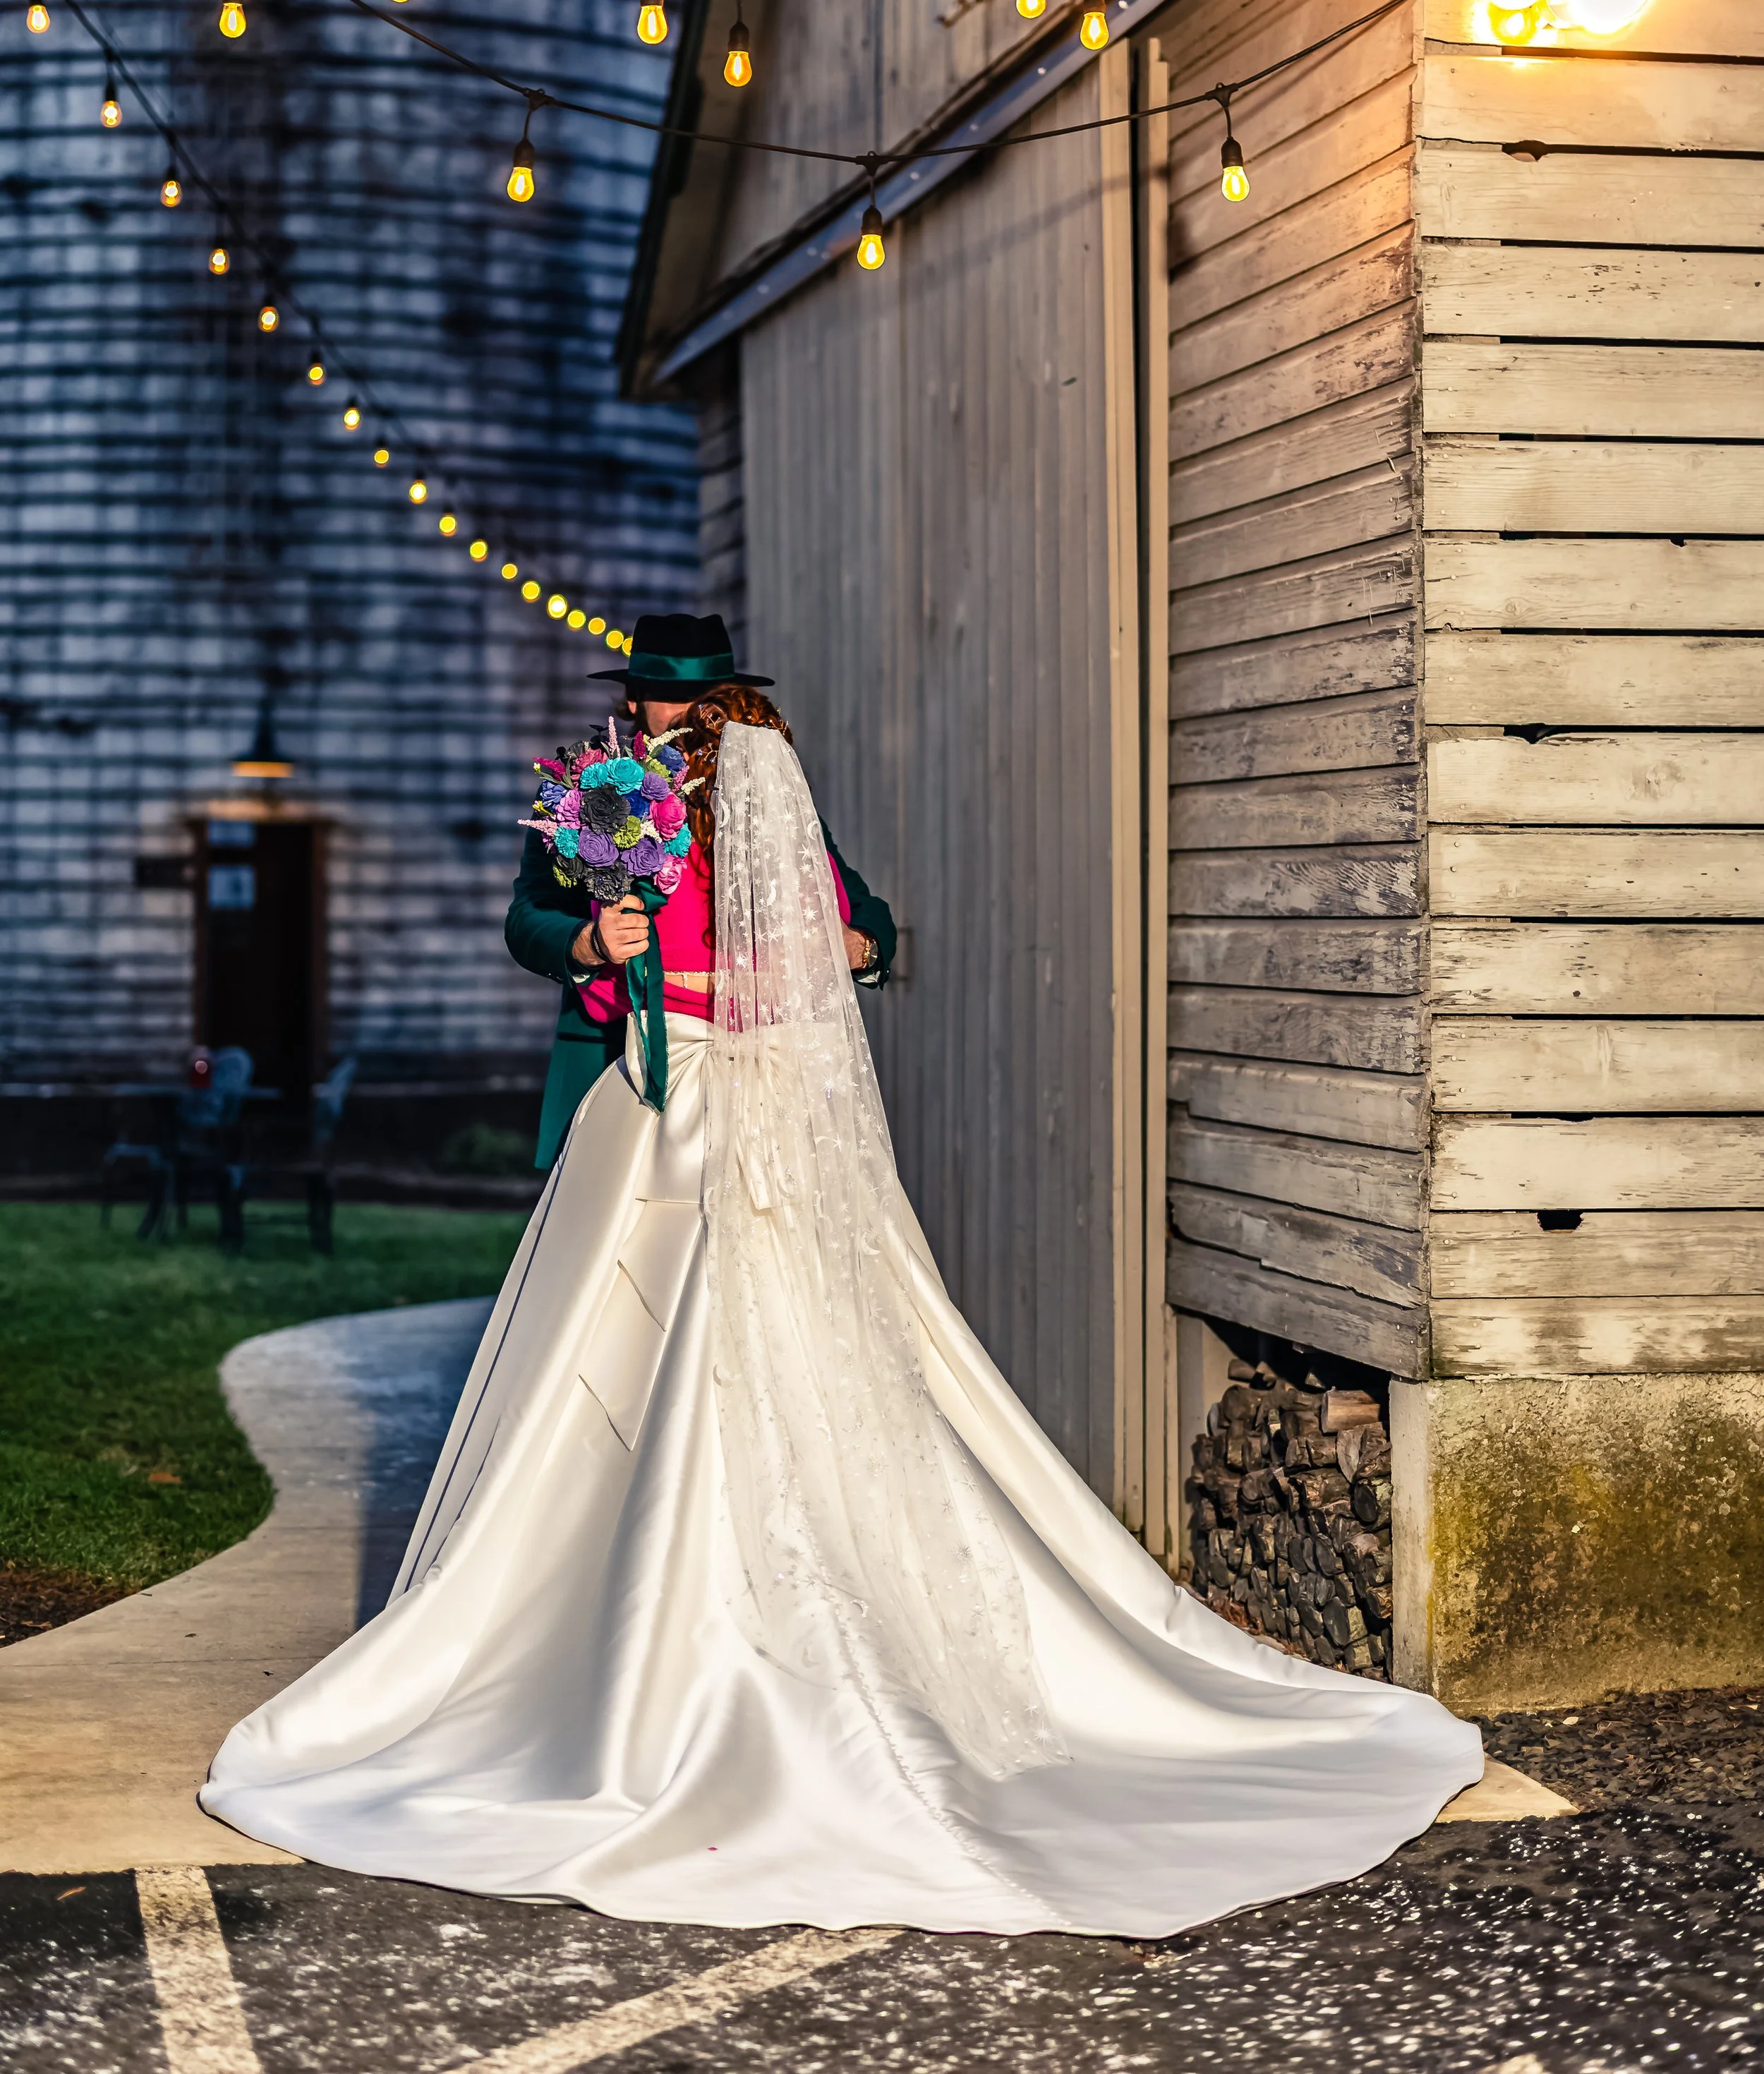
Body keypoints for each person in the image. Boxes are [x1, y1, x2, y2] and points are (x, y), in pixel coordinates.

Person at [200, 646, 1481, 1937]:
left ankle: (658, 1629)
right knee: (653, 1350)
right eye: (662, 701)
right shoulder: (620, 807)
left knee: (654, 1342)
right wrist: (605, 931)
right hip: (703, 1088)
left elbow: (855, 923)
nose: (675, 725)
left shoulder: (735, 821)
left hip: (683, 1103)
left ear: (706, 725)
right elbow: (550, 923)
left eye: (691, 709)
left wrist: (844, 943)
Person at [504, 614, 896, 1170]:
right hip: (622, 1060)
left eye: (702, 695)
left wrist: (861, 947)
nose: (687, 710)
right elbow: (526, 918)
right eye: (670, 695)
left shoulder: (761, 789)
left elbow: (859, 904)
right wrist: (589, 943)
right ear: (634, 697)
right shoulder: (583, 790)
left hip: (763, 1070)